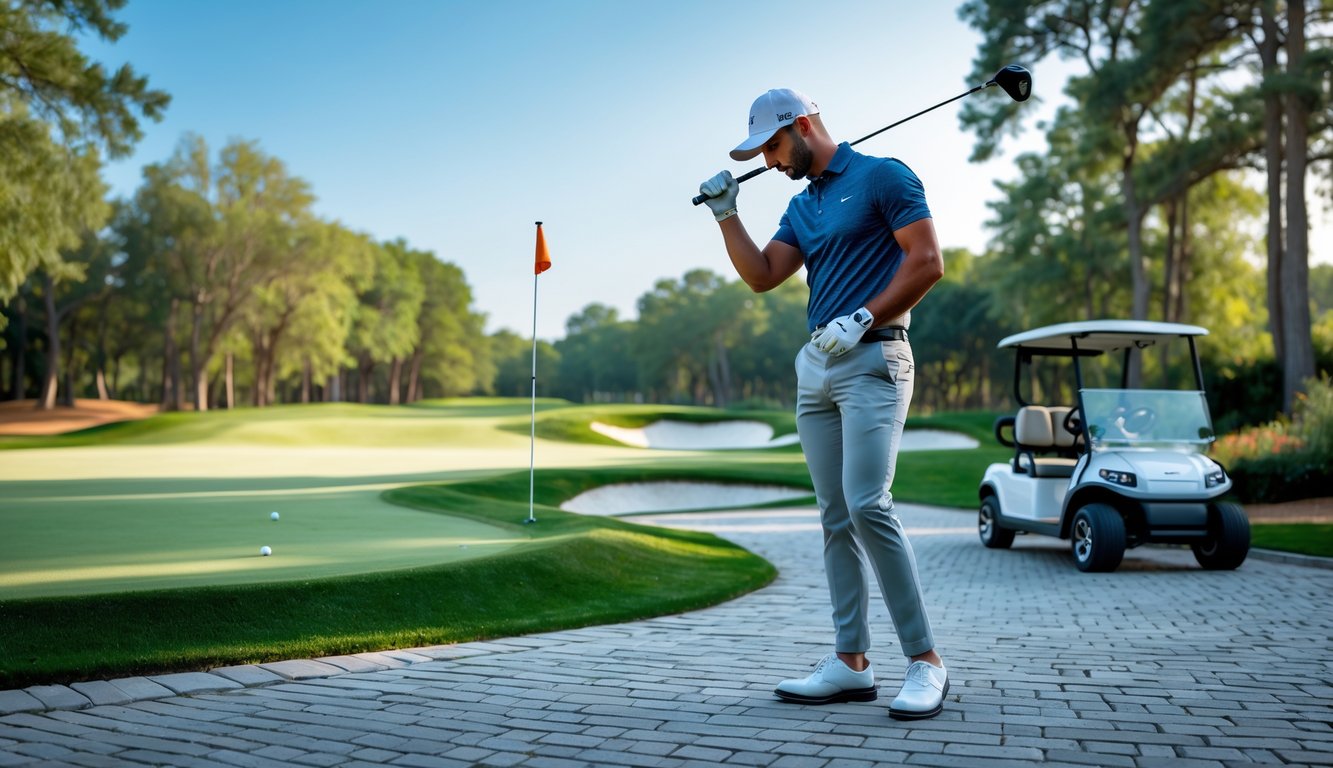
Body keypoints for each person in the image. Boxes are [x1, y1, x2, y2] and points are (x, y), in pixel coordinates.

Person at [697, 88, 948, 720]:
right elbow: (761, 275)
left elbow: (927, 262)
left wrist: (864, 316)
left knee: (868, 504)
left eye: (776, 146)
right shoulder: (800, 206)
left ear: (803, 126)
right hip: (818, 366)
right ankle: (851, 662)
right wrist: (727, 215)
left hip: (875, 356)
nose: (773, 160)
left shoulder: (882, 177)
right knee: (834, 515)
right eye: (764, 154)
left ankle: (925, 661)